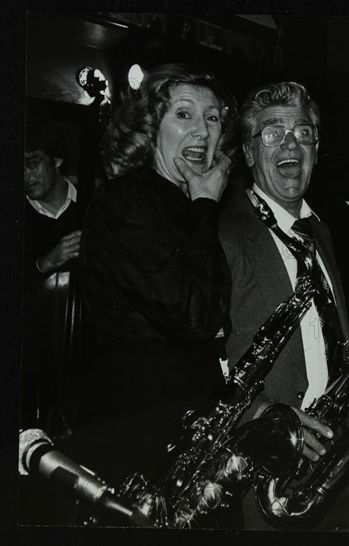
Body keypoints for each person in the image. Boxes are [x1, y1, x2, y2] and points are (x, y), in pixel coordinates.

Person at [70, 64, 238, 518]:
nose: (201, 130)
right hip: (137, 419)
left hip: (193, 416)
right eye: (183, 114)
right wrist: (205, 202)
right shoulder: (127, 199)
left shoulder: (193, 205)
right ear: (151, 130)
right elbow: (194, 318)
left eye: (213, 117)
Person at [219, 81, 349, 531]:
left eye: (303, 132)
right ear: (247, 151)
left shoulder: (320, 233)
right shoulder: (221, 234)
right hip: (267, 469)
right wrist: (266, 418)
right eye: (273, 132)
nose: (291, 143)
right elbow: (202, 359)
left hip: (336, 459)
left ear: (316, 149)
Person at [22, 124, 85, 433]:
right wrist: (45, 263)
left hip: (88, 360)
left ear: (57, 159)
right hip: (33, 362)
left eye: (31, 162)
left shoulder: (94, 204)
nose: (24, 174)